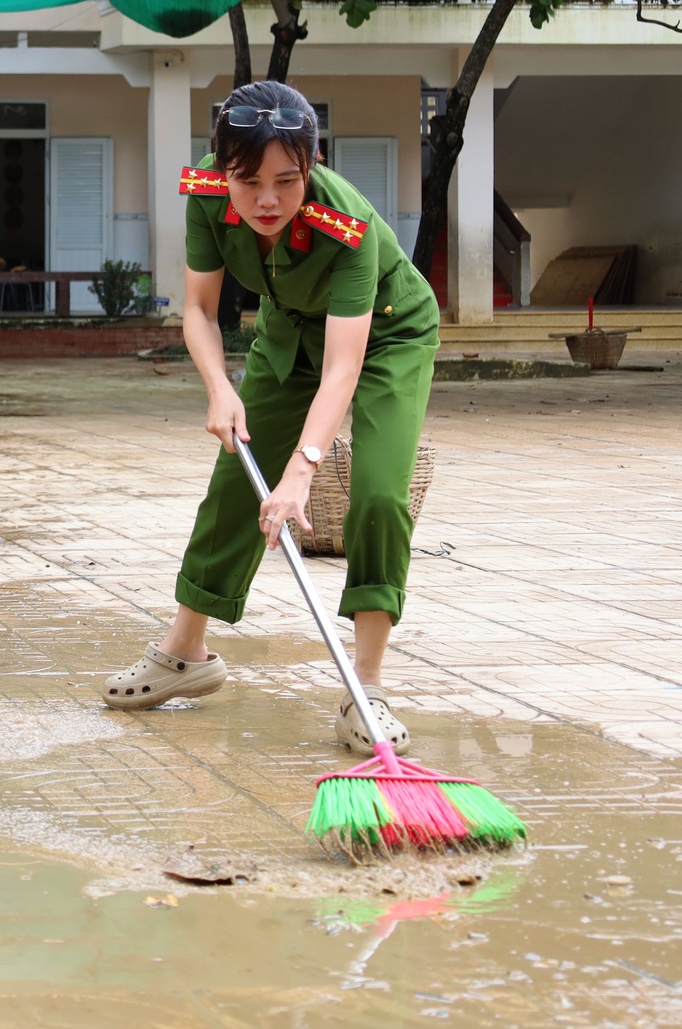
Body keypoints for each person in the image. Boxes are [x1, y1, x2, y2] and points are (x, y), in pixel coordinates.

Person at [100, 80, 439, 753]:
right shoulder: (205, 195)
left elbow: (343, 367)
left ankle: (366, 690)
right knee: (236, 478)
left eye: (287, 181)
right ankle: (185, 653)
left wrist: (303, 469)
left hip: (387, 337)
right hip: (290, 330)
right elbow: (199, 309)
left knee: (379, 495)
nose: (267, 200)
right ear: (223, 168)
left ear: (312, 165)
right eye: (248, 181)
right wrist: (219, 388)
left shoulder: (346, 225)